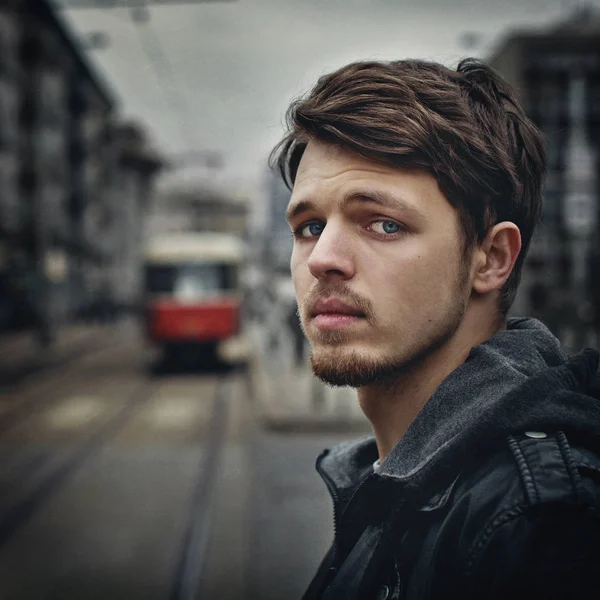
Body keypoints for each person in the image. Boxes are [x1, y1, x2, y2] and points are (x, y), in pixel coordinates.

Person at [270, 58, 600, 600]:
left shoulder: (542, 526)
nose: (322, 258)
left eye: (383, 224)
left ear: (491, 258)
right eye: (309, 227)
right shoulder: (389, 479)